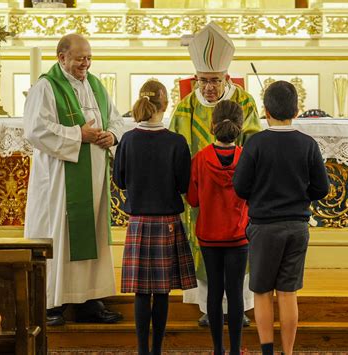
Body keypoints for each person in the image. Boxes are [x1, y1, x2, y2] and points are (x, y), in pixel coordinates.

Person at [23, 33, 125, 326]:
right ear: (61, 57)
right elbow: (35, 130)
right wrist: (77, 135)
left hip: (93, 178)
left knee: (91, 234)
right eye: (80, 58)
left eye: (89, 58)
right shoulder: (45, 87)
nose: (86, 64)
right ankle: (52, 304)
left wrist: (112, 135)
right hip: (59, 181)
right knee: (59, 236)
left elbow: (117, 119)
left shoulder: (96, 86)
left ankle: (88, 299)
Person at [170, 21, 261, 327]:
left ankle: (241, 307)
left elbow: (253, 146)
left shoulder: (244, 102)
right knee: (205, 251)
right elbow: (176, 149)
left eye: (215, 81)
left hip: (237, 194)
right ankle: (209, 308)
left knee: (238, 252)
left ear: (226, 78)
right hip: (202, 197)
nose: (208, 87)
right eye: (203, 80)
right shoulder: (185, 108)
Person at [233, 80, 330, 355]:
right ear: (297, 111)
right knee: (288, 293)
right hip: (297, 226)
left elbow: (240, 186)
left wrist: (259, 195)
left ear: (265, 110)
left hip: (264, 226)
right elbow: (321, 188)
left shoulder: (256, 143)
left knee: (262, 291)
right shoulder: (307, 144)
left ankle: (267, 352)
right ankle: (288, 352)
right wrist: (301, 196)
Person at [113, 80, 197, 355]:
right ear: (165, 105)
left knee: (141, 292)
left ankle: (141, 350)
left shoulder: (127, 139)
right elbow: (185, 184)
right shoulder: (176, 142)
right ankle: (157, 350)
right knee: (161, 292)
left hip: (139, 222)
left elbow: (120, 181)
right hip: (168, 222)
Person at [186, 100, 249, 355]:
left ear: (212, 126)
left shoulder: (200, 158)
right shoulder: (245, 157)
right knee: (235, 293)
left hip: (209, 234)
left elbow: (193, 199)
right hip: (238, 234)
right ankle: (235, 350)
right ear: (240, 127)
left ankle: (217, 350)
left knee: (214, 290)